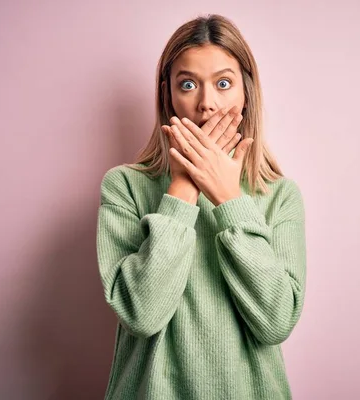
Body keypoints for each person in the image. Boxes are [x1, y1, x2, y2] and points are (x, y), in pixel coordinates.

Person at [96, 14, 307, 400]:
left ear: (246, 92)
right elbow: (142, 314)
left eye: (223, 83)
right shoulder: (124, 185)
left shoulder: (279, 194)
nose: (206, 104)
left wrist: (230, 199)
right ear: (168, 96)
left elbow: (276, 322)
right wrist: (183, 188)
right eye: (188, 84)